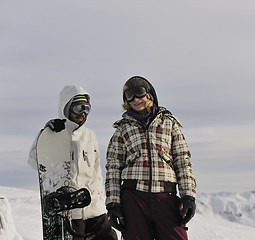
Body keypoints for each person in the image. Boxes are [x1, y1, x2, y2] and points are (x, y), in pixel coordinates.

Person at [105, 76, 196, 240]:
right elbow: (113, 168)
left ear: (149, 95)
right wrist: (113, 204)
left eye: (139, 93)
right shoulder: (122, 129)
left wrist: (188, 196)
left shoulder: (169, 123)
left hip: (165, 196)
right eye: (129, 96)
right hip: (133, 198)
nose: (135, 99)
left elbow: (183, 161)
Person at [28, 85, 118, 240]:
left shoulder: (91, 135)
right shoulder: (53, 135)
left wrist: (101, 203)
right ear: (66, 108)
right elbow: (33, 162)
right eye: (77, 108)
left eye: (87, 108)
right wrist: (46, 135)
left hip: (95, 209)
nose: (82, 113)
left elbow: (97, 174)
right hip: (71, 212)